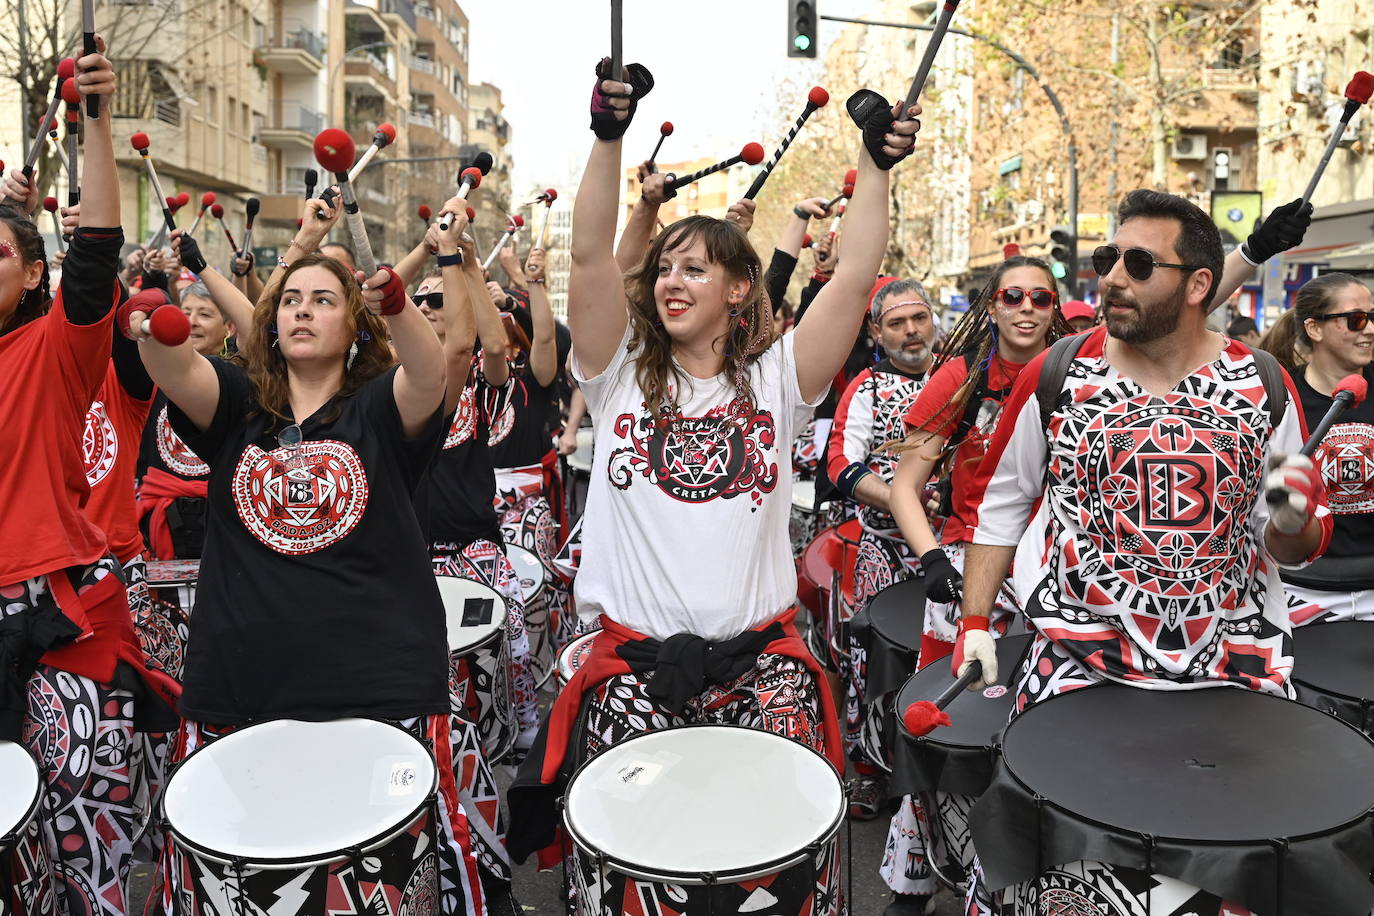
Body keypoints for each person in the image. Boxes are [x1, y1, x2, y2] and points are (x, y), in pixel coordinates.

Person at [507, 61, 920, 891]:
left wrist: (875, 168)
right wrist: (606, 138)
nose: (671, 281)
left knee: (778, 872)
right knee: (636, 877)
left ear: (739, 289)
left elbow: (856, 273)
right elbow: (589, 252)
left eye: (695, 269)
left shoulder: (779, 381)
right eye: (664, 267)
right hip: (632, 677)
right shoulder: (615, 371)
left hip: (764, 674)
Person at [956, 190, 1329, 914]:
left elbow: (1297, 547)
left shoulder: (1266, 384)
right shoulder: (1058, 373)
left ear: (1197, 284)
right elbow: (1000, 509)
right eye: (1107, 260)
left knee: (1229, 888)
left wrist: (1294, 515)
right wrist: (975, 623)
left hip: (1229, 678)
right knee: (1054, 883)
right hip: (1078, 667)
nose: (1112, 279)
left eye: (1136, 264)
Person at [131, 246, 488, 916]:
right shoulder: (238, 405)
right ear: (270, 323)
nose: (303, 309)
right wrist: (149, 327)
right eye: (292, 299)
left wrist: (399, 305)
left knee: (379, 883)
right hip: (242, 683)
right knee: (244, 875)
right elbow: (176, 370)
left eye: (324, 300)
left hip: (377, 685)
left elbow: (429, 370)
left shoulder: (381, 409)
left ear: (355, 328)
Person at [0, 40, 171, 916]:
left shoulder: (56, 349)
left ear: (34, 274)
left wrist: (93, 121)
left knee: (79, 855)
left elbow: (98, 245)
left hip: (62, 616)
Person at [879, 255, 1065, 913]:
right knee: (947, 733)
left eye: (1040, 298)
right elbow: (905, 486)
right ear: (991, 306)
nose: (1026, 308)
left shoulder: (1079, 371)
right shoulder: (960, 380)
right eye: (1012, 295)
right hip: (969, 580)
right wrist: (933, 561)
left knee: (1039, 741)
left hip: (1054, 585)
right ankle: (917, 879)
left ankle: (1029, 883)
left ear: (1055, 309)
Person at [825, 277, 940, 818]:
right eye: (896, 323)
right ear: (876, 331)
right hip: (885, 558)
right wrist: (902, 501)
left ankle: (940, 763)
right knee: (873, 667)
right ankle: (870, 771)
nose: (911, 331)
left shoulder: (962, 379)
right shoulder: (865, 389)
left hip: (957, 553)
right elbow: (841, 467)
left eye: (918, 318)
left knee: (941, 663)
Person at [1259, 273, 1374, 623]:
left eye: (1373, 318)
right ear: (1315, 328)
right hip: (1300, 593)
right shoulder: (1278, 398)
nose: (1368, 329)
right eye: (1356, 320)